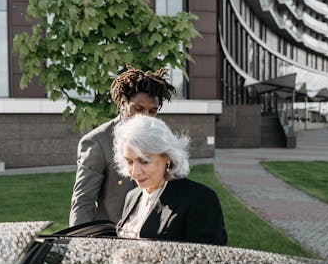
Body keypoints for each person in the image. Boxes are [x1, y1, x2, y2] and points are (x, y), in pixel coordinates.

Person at [69, 68, 175, 226]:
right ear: (123, 103)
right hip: (113, 239)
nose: (145, 117)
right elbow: (83, 202)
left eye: (152, 111)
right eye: (138, 109)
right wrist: (79, 245)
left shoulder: (162, 137)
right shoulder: (97, 142)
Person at [113, 114, 227, 246]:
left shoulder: (200, 199)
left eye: (144, 161)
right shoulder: (132, 196)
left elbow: (209, 259)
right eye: (129, 162)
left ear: (167, 157)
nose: (135, 172)